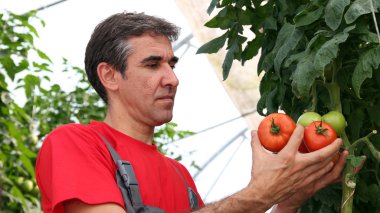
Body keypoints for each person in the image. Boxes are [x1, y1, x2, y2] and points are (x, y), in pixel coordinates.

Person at [35, 12, 347, 213]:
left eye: (171, 65)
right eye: (152, 64)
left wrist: (286, 202)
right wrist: (259, 194)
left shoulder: (180, 177)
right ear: (109, 76)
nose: (172, 79)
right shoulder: (75, 144)